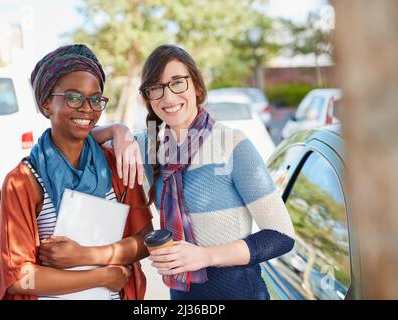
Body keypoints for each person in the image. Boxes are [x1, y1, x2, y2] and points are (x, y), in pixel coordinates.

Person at [92, 44, 295, 300]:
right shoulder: (148, 146)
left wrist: (205, 256)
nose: (167, 97)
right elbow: (73, 138)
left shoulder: (231, 143)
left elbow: (281, 235)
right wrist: (117, 130)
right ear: (148, 98)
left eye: (177, 82)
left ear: (197, 86)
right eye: (156, 88)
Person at [0, 44, 152, 300]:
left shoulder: (117, 165)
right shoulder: (23, 181)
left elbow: (145, 239)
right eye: (73, 97)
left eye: (95, 98)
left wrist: (87, 255)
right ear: (46, 104)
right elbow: (19, 277)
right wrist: (100, 276)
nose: (87, 108)